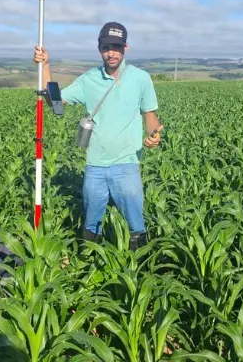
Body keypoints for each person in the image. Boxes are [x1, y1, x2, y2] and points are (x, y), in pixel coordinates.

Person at [33, 21, 163, 249]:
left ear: (126, 47)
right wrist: (45, 65)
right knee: (92, 221)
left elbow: (149, 115)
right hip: (95, 165)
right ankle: (88, 264)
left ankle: (140, 268)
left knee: (135, 223)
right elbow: (56, 102)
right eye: (106, 47)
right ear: (99, 48)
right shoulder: (89, 79)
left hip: (127, 163)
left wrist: (153, 134)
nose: (111, 53)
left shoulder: (141, 78)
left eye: (117, 47)